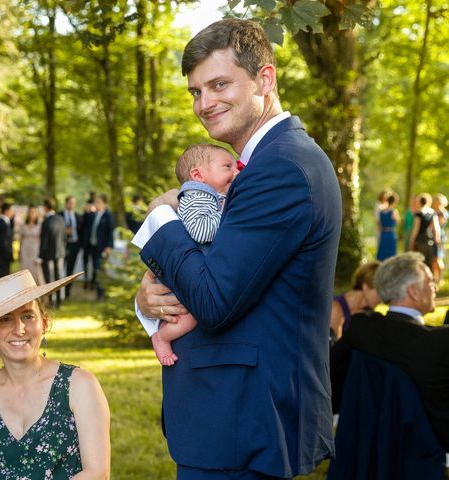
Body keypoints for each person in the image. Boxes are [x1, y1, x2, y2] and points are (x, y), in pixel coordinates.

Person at [133, 19, 342, 478]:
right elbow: (218, 270)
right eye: (195, 92)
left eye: (219, 84)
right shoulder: (258, 167)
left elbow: (214, 299)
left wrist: (160, 217)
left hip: (246, 426)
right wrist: (149, 301)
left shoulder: (282, 168)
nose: (204, 104)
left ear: (264, 80)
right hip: (228, 422)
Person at [0, 269, 110, 479]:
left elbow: (98, 473)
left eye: (28, 316)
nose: (19, 329)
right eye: (5, 319)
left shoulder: (79, 385)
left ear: (44, 323)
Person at [331, 252, 449, 450]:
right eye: (430, 281)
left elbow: (332, 371)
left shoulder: (360, 329)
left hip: (363, 444)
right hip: (420, 452)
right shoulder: (436, 345)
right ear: (414, 292)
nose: (435, 286)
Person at [144, 143, 239, 366]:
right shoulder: (196, 197)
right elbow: (200, 230)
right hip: (187, 277)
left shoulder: (212, 197)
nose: (235, 172)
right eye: (227, 167)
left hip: (197, 272)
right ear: (198, 175)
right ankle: (162, 337)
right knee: (190, 317)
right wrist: (228, 219)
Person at [329, 260, 381, 343]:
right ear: (366, 286)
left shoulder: (370, 316)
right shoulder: (335, 308)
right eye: (380, 291)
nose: (383, 298)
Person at [40, 197, 66, 308]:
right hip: (60, 252)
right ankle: (59, 300)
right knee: (59, 277)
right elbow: (64, 237)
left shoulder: (46, 221)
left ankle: (51, 301)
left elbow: (44, 240)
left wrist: (40, 255)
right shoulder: (61, 219)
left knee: (49, 278)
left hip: (48, 254)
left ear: (46, 207)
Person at [86, 194, 114, 301]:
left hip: (103, 248)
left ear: (104, 203)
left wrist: (109, 246)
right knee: (95, 269)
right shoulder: (94, 215)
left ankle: (102, 294)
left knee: (100, 270)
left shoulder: (108, 215)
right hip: (94, 247)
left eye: (98, 202)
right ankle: (99, 294)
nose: (96, 204)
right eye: (95, 202)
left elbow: (110, 232)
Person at [409, 192, 441, 273]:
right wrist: (437, 240)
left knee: (420, 262)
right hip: (429, 240)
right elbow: (436, 229)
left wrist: (411, 242)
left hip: (420, 240)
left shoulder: (418, 214)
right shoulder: (433, 213)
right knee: (429, 262)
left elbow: (415, 230)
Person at [60, 195, 81, 300]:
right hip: (63, 245)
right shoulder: (60, 215)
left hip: (74, 245)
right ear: (66, 203)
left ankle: (67, 292)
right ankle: (60, 292)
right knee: (61, 268)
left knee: (70, 269)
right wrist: (64, 232)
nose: (72, 205)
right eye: (70, 203)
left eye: (74, 203)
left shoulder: (77, 216)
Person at [19, 205, 44, 284]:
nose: (32, 214)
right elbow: (21, 239)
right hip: (25, 250)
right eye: (30, 212)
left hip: (35, 250)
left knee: (36, 271)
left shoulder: (40, 225)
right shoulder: (24, 224)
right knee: (25, 271)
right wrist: (19, 252)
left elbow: (42, 240)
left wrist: (40, 255)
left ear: (36, 214)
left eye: (33, 212)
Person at [0, 202, 15, 278]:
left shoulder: (5, 222)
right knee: (3, 278)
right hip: (2, 256)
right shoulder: (1, 223)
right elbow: (2, 242)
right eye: (12, 210)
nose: (13, 212)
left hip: (3, 256)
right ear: (7, 211)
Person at [376, 193, 399, 261]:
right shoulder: (393, 211)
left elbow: (379, 223)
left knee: (382, 252)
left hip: (383, 233)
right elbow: (398, 221)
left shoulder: (381, 211)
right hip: (390, 234)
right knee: (390, 253)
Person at [431, 193, 447, 284]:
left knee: (438, 257)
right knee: (434, 258)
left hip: (439, 236)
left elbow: (438, 225)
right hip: (434, 236)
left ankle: (440, 279)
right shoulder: (435, 211)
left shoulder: (441, 212)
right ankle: (435, 277)